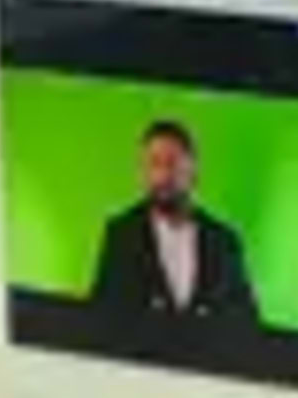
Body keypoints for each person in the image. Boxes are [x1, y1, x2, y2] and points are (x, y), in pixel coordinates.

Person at [88, 121, 262, 328]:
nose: (162, 176)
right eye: (153, 164)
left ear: (193, 170)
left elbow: (247, 321)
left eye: (171, 163)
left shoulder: (224, 241)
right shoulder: (121, 234)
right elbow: (102, 318)